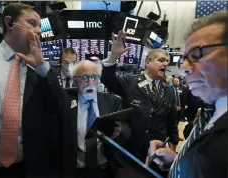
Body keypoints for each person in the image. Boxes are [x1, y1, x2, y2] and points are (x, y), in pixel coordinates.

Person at [0, 2, 68, 178]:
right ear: (10, 23)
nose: (39, 31)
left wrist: (42, 67)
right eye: (32, 23)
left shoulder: (40, 71)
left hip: (28, 169)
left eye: (40, 26)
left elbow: (59, 107)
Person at [146, 11, 228, 178]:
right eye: (183, 59)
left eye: (196, 54)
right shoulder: (211, 110)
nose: (183, 68)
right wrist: (178, 163)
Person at [101, 31, 179, 174]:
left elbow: (172, 120)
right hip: (132, 149)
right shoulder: (130, 82)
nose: (166, 63)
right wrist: (113, 57)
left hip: (158, 150)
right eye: (161, 60)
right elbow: (108, 80)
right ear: (148, 62)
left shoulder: (168, 90)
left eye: (167, 61)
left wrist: (173, 143)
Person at [63, 60, 130, 178]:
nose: (90, 82)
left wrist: (120, 132)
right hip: (75, 171)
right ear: (74, 79)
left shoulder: (112, 101)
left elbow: (126, 128)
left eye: (94, 77)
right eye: (84, 77)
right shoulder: (64, 102)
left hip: (105, 169)